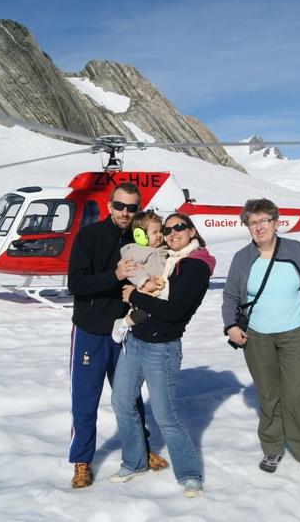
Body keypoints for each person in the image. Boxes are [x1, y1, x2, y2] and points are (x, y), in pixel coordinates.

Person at [66, 182, 168, 489]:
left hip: (128, 331)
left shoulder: (141, 237)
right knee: (86, 398)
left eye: (132, 208)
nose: (126, 212)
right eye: (120, 206)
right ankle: (82, 461)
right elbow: (76, 284)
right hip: (91, 330)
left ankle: (141, 450)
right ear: (110, 206)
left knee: (129, 397)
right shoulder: (90, 236)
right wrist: (116, 275)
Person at [109, 213, 215, 498]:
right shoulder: (167, 259)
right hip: (135, 342)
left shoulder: (195, 266)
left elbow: (173, 311)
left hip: (162, 349)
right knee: (121, 402)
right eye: (167, 229)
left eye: (179, 227)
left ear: (192, 231)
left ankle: (189, 475)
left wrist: (133, 295)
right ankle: (134, 462)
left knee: (165, 415)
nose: (172, 233)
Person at [221, 198, 300, 479]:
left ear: (276, 223)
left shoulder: (296, 250)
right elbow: (230, 296)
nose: (259, 227)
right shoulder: (243, 258)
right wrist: (230, 325)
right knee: (268, 392)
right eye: (253, 222)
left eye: (264, 220)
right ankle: (272, 445)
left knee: (298, 392)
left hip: (296, 333)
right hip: (257, 336)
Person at [111, 210, 168, 343]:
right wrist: (144, 281)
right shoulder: (136, 251)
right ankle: (122, 324)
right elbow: (131, 269)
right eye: (155, 232)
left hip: (158, 291)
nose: (159, 235)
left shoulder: (163, 250)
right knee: (141, 314)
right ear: (140, 235)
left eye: (161, 231)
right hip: (143, 291)